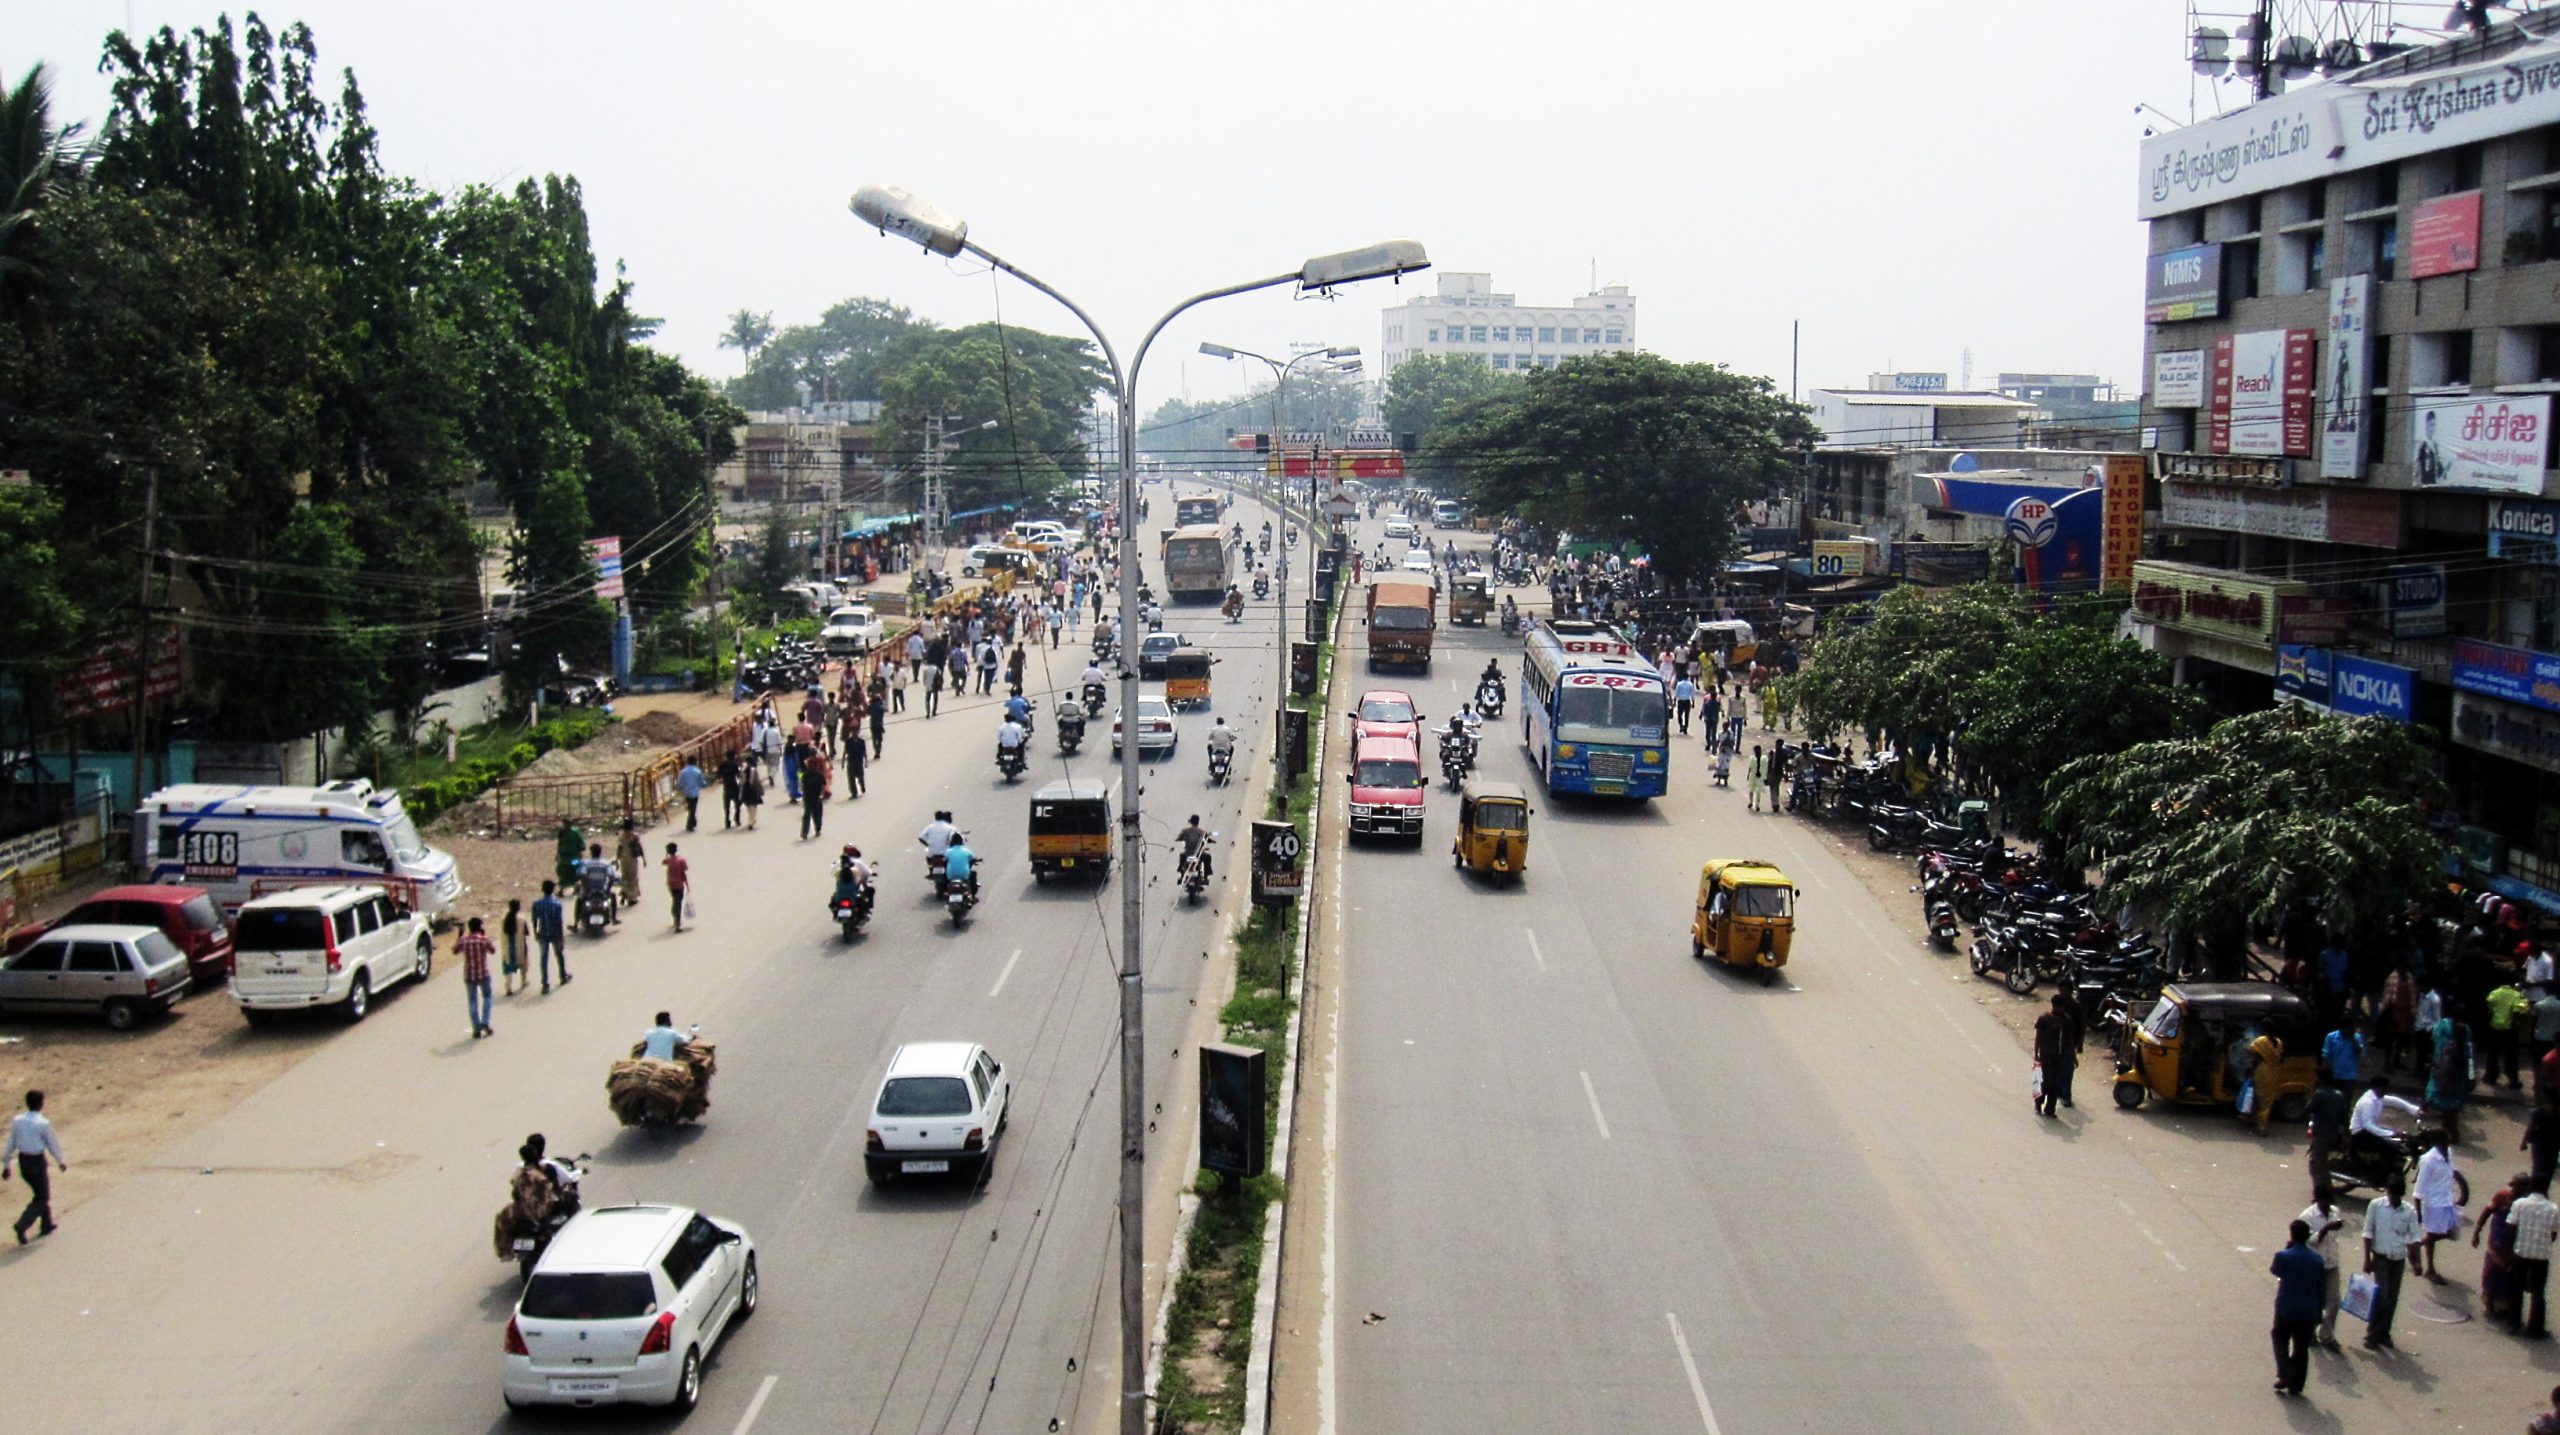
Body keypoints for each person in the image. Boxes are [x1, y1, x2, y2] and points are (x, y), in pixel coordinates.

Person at [2362, 1176, 2422, 1349]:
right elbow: (2367, 1233)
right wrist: (2367, 1259)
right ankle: (2372, 1333)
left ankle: (2384, 1333)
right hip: (2380, 1257)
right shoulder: (2376, 1206)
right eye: (2390, 1194)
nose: (2392, 1198)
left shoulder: (2409, 1211)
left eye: (2396, 1196)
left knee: (2392, 1298)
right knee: (2382, 1296)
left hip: (2398, 1259)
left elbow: (2414, 1238)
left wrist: (2416, 1261)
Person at [2269, 1218, 2324, 1397]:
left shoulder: (2284, 1256)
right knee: (2301, 1347)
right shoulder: (2317, 1259)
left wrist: (2287, 1248)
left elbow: (2275, 1271)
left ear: (2291, 1235)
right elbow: (2321, 1287)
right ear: (2308, 1236)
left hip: (2286, 1307)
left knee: (2280, 1338)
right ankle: (2297, 1384)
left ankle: (2285, 1372)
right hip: (2308, 1310)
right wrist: (2319, 1311)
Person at [5, 1089, 66, 1243]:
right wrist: (61, 1161)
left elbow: (11, 1143)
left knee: (40, 1192)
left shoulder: (17, 1121)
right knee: (42, 1196)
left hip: (23, 1161)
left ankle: (46, 1224)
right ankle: (22, 1225)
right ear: (41, 1104)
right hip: (37, 1162)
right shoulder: (43, 1123)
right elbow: (52, 1144)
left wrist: (6, 1165)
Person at [2300, 1184, 2347, 1350]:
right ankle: (2310, 1333)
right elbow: (2310, 1240)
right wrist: (2326, 1228)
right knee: (2314, 1303)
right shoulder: (2307, 1216)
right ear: (2317, 1200)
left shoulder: (2334, 1212)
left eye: (2328, 1201)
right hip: (2315, 1266)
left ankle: (2326, 1335)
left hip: (2332, 1263)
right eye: (2323, 1202)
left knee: (2334, 1302)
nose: (2326, 1205)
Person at [2414, 1130, 2462, 1280]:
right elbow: (2418, 1190)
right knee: (2434, 1235)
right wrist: (2419, 1214)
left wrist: (2464, 1187)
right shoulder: (2428, 1160)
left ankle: (2415, 1247)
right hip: (2433, 1203)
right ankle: (2429, 1268)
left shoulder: (2448, 1153)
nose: (2448, 1142)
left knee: (2451, 1232)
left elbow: (2453, 1171)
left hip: (2447, 1200)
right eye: (2445, 1140)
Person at [2349, 1074, 2421, 1169]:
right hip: (2361, 1134)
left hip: (2369, 1131)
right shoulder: (2368, 1102)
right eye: (2385, 1088)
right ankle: (2380, 1176)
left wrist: (2414, 1110)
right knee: (2392, 1147)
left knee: (2402, 1140)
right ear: (2378, 1087)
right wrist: (2391, 1133)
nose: (2386, 1090)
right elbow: (2368, 1125)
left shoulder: (2377, 1097)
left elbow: (2394, 1101)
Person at [2517, 1180, 2560, 1338]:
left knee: (2517, 1287)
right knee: (2538, 1292)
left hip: (2521, 1251)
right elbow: (2553, 1234)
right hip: (2541, 1255)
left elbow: (2511, 1224)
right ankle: (2535, 1329)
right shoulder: (2553, 1208)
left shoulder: (2520, 1204)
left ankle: (2514, 1323)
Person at [2033, 994, 2076, 1117]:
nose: (2061, 1010)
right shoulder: (2044, 1018)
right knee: (2047, 1081)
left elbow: (2069, 1040)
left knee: (2056, 1083)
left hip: (2061, 1056)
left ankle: (2050, 1109)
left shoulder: (2067, 1020)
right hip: (2046, 1055)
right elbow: (2038, 1037)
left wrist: (2073, 1056)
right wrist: (2036, 1053)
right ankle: (2039, 1101)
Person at [458, 916, 496, 1038]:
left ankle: (476, 1027)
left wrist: (460, 935)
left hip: (469, 975)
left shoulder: (464, 940)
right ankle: (485, 1021)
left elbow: (455, 950)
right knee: (487, 997)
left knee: (472, 1001)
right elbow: (493, 950)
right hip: (483, 973)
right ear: (480, 927)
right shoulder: (483, 939)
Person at [2247, 1029, 2285, 1134]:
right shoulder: (2278, 1042)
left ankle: (2261, 1126)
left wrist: (2251, 1070)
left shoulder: (2261, 1041)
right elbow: (2280, 1057)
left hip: (2262, 1071)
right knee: (2268, 1099)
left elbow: (2255, 1057)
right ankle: (2259, 1123)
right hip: (2274, 1071)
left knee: (2260, 1098)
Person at [531, 881, 567, 992]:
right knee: (559, 955)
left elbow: (534, 919)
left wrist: (535, 932)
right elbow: (559, 922)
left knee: (543, 959)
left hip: (542, 933)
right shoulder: (557, 904)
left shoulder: (537, 904)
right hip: (555, 933)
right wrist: (562, 938)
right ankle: (562, 976)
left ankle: (545, 984)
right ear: (552, 890)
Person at [581, 843, 620, 925]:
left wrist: (585, 888)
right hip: (602, 891)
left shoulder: (586, 864)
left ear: (591, 853)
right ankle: (614, 918)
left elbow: (583, 876)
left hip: (589, 891)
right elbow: (612, 876)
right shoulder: (605, 864)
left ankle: (575, 923)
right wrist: (608, 889)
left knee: (579, 900)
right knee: (613, 897)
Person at [499, 897, 528, 997]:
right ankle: (523, 982)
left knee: (508, 969)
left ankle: (508, 988)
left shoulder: (503, 919)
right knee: (523, 964)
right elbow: (526, 932)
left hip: (507, 948)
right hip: (519, 946)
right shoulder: (522, 919)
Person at [801, 746, 831, 839]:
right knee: (807, 815)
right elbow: (802, 785)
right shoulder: (805, 775)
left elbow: (823, 785)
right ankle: (804, 833)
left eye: (812, 765)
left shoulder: (819, 775)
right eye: (809, 765)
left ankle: (817, 829)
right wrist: (803, 796)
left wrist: (821, 795)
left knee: (817, 815)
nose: (810, 766)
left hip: (817, 797)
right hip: (808, 797)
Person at [616, 820, 646, 910]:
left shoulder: (620, 836)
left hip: (623, 858)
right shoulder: (634, 836)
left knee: (625, 876)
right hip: (632, 858)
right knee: (633, 877)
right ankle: (632, 898)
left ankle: (625, 891)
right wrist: (644, 859)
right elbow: (639, 847)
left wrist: (616, 860)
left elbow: (619, 848)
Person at [1176, 814, 1213, 882]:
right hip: (1198, 854)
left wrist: (1180, 839)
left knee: (1182, 857)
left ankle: (1182, 876)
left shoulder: (1185, 830)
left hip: (1188, 853)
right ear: (1198, 822)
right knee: (1208, 857)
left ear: (1191, 821)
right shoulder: (1201, 831)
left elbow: (1178, 838)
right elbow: (1208, 838)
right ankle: (1205, 877)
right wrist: (1212, 841)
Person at [554, 818, 586, 892]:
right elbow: (560, 844)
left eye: (568, 823)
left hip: (574, 857)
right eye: (565, 823)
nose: (566, 825)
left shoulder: (575, 832)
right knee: (562, 872)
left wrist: (580, 852)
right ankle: (561, 889)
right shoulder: (561, 832)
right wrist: (557, 854)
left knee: (575, 870)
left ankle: (576, 886)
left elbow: (580, 842)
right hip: (564, 858)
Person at [664, 842, 691, 931]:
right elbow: (684, 873)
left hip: (671, 884)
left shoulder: (668, 860)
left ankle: (675, 917)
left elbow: (663, 862)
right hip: (679, 885)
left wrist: (666, 854)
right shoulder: (681, 860)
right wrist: (687, 885)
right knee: (678, 903)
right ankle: (677, 923)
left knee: (675, 901)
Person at [943, 833, 979, 899]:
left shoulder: (948, 851)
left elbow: (944, 860)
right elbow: (972, 859)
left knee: (944, 876)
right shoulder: (967, 851)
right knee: (973, 875)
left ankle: (945, 890)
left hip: (951, 875)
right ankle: (973, 895)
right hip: (964, 875)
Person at [676, 757, 705, 832]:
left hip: (686, 792)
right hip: (695, 792)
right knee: (693, 808)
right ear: (695, 762)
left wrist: (681, 788)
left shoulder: (683, 772)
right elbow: (702, 782)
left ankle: (692, 821)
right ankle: (690, 823)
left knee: (691, 807)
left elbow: (680, 783)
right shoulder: (697, 771)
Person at [717, 750, 742, 829]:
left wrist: (722, 780)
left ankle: (727, 821)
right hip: (734, 786)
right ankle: (737, 819)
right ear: (734, 756)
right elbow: (738, 775)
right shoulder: (734, 765)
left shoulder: (722, 765)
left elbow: (718, 776)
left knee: (726, 807)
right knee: (737, 805)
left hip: (726, 787)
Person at [740, 758, 764, 830]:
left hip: (746, 790)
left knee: (749, 806)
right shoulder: (753, 770)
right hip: (752, 790)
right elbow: (757, 781)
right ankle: (751, 820)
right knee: (753, 806)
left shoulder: (743, 770)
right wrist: (760, 790)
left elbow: (741, 781)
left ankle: (751, 820)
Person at [1747, 744, 1766, 812]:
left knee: (1758, 792)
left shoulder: (1764, 759)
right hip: (1753, 775)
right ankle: (1751, 802)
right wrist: (1748, 775)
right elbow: (1750, 767)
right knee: (1751, 790)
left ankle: (1757, 805)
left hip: (1759, 777)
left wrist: (1764, 776)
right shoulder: (1752, 758)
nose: (1757, 752)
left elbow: (1765, 768)